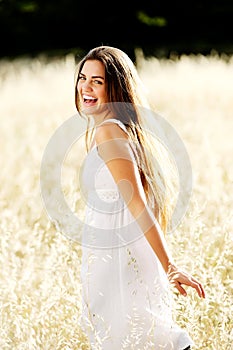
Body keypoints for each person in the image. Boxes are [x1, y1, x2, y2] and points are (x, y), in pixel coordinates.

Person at [74, 45, 205, 350]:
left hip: (120, 261)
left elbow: (137, 203)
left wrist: (170, 266)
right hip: (119, 255)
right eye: (83, 78)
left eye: (98, 81)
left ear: (115, 87)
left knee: (140, 338)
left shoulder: (108, 132)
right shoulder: (121, 130)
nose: (86, 87)